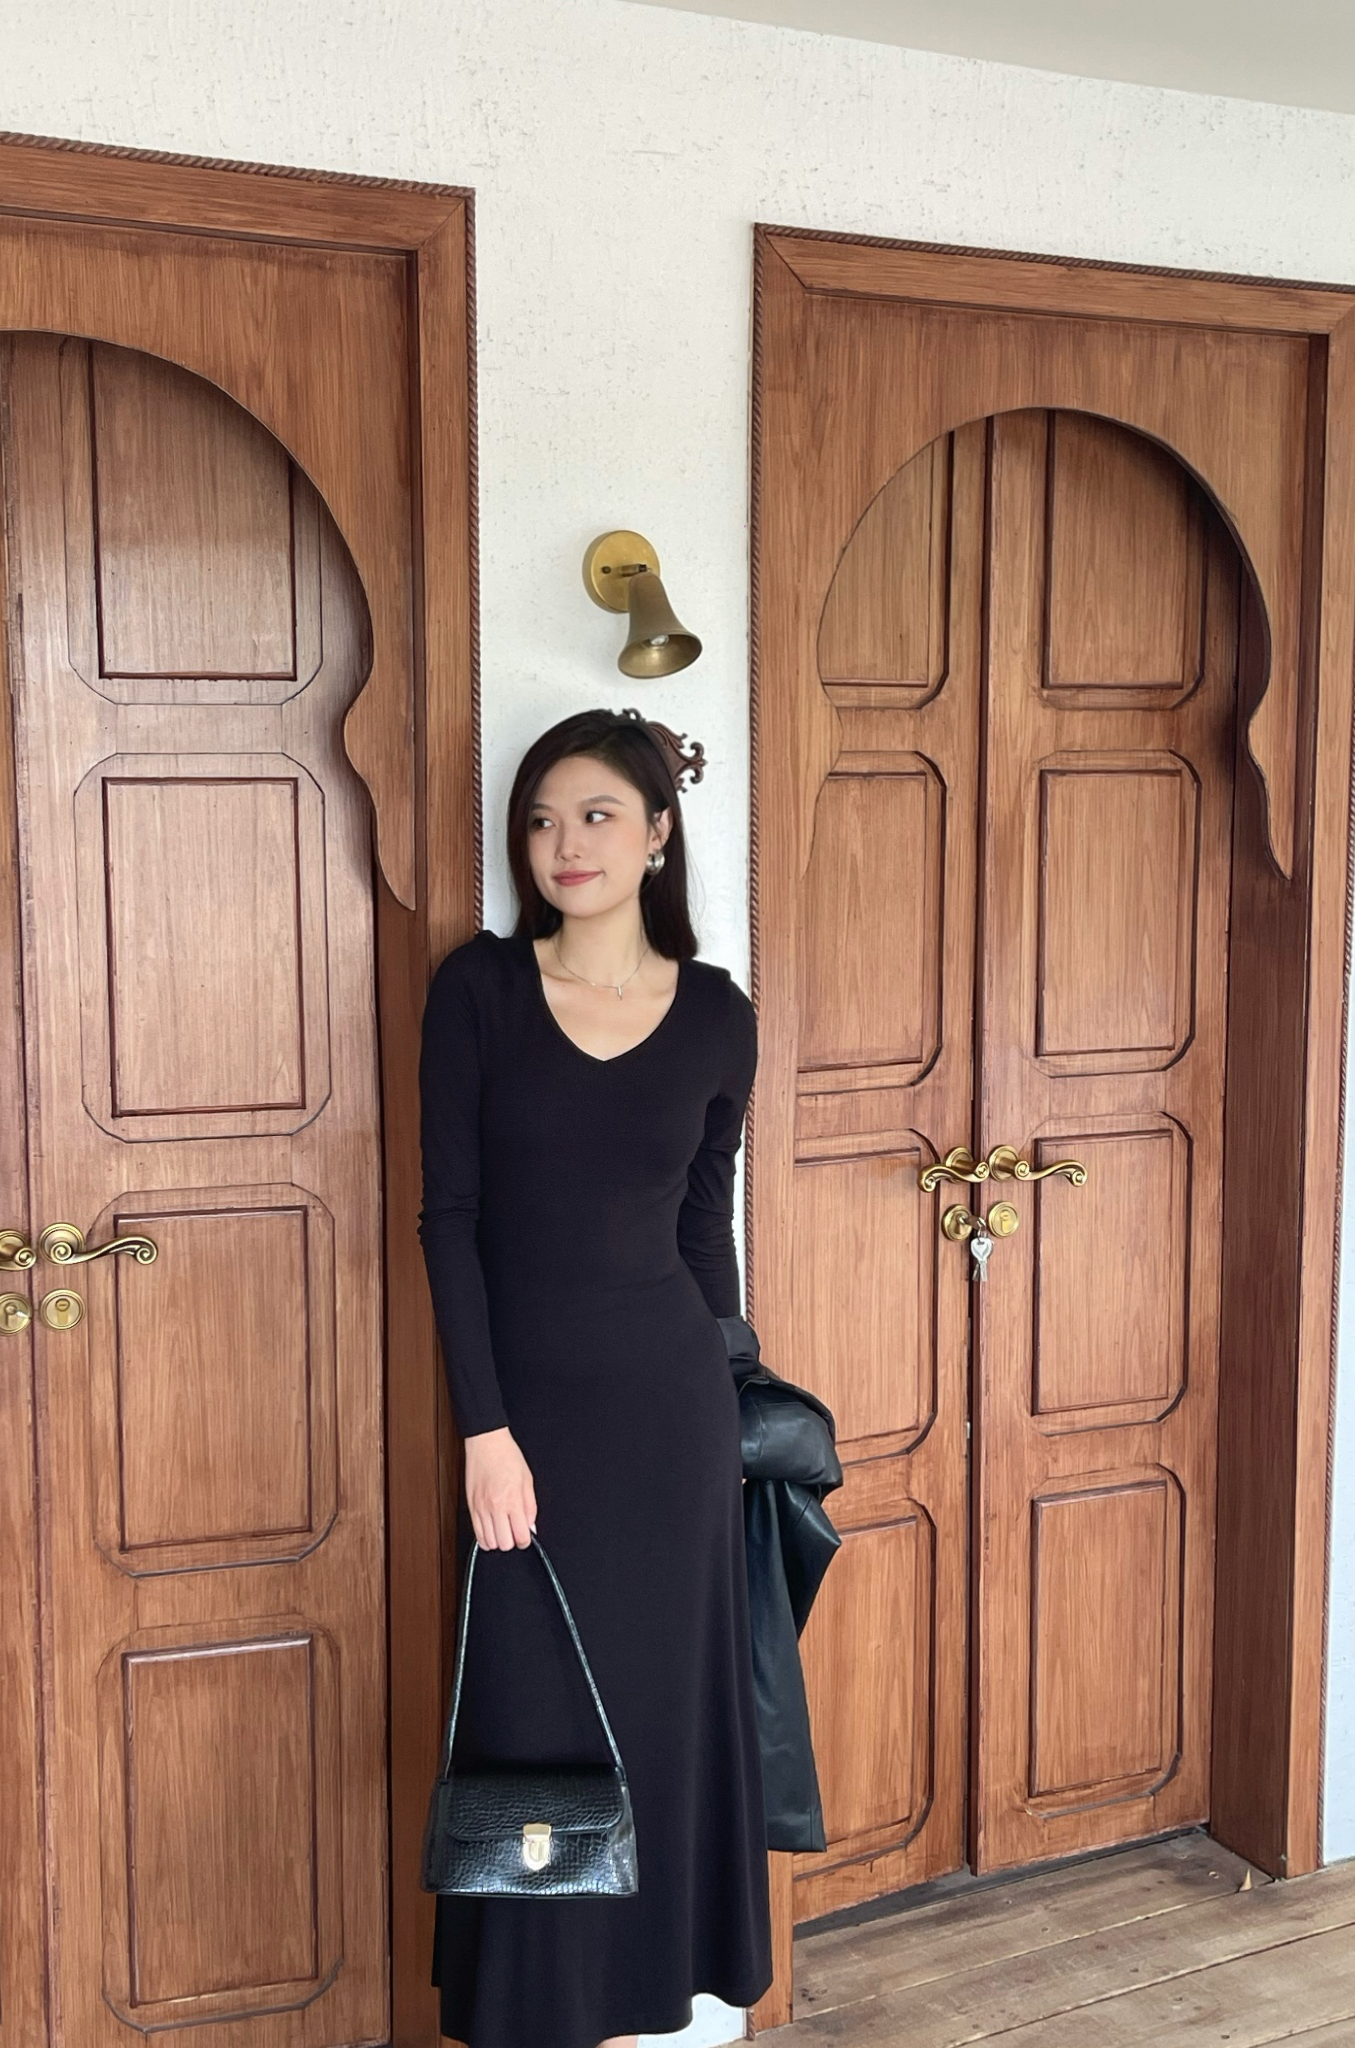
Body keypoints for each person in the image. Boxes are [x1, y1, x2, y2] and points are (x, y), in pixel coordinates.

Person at [418, 707, 773, 2048]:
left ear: (658, 833)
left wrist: (740, 1401)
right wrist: (485, 1429)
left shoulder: (718, 1015)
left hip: (674, 1429)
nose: (566, 843)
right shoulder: (479, 992)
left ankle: (627, 2020)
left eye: (598, 814)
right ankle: (545, 2021)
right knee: (536, 1737)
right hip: (529, 1434)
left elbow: (703, 1230)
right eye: (542, 819)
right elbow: (448, 1221)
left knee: (659, 1732)